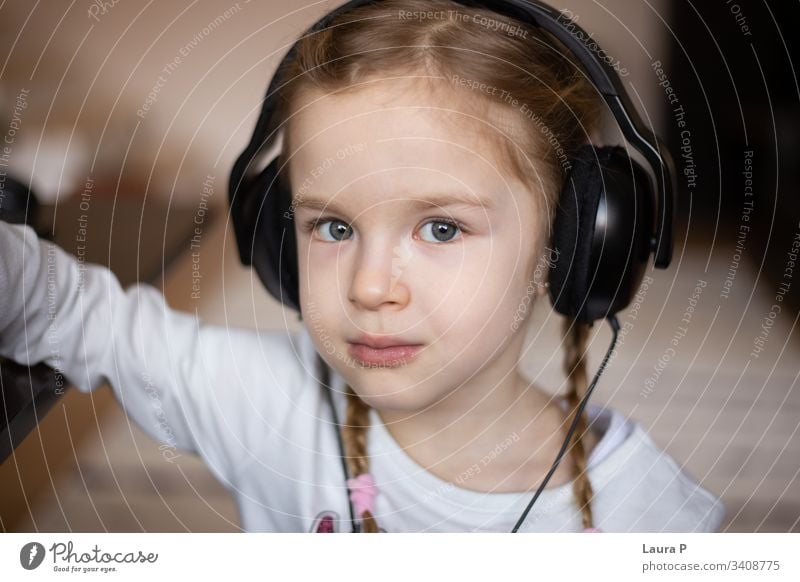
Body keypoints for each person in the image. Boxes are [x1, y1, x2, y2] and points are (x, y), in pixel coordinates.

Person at [0, 0, 725, 533]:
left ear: (569, 242)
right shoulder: (267, 406)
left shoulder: (655, 521)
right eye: (334, 226)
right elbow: (64, 308)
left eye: (441, 228)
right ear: (279, 236)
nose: (370, 286)